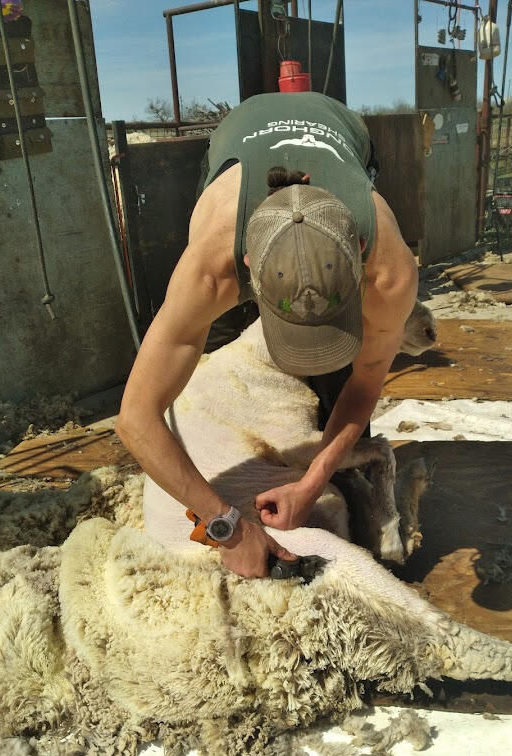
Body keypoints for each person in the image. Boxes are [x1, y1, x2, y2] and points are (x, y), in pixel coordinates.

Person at [116, 90, 418, 579]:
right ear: (248, 268)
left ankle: (347, 477)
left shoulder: (390, 274)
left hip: (339, 128)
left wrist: (312, 484)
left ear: (361, 247)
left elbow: (365, 383)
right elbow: (134, 418)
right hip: (240, 132)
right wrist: (227, 526)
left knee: (340, 381)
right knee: (208, 343)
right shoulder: (208, 272)